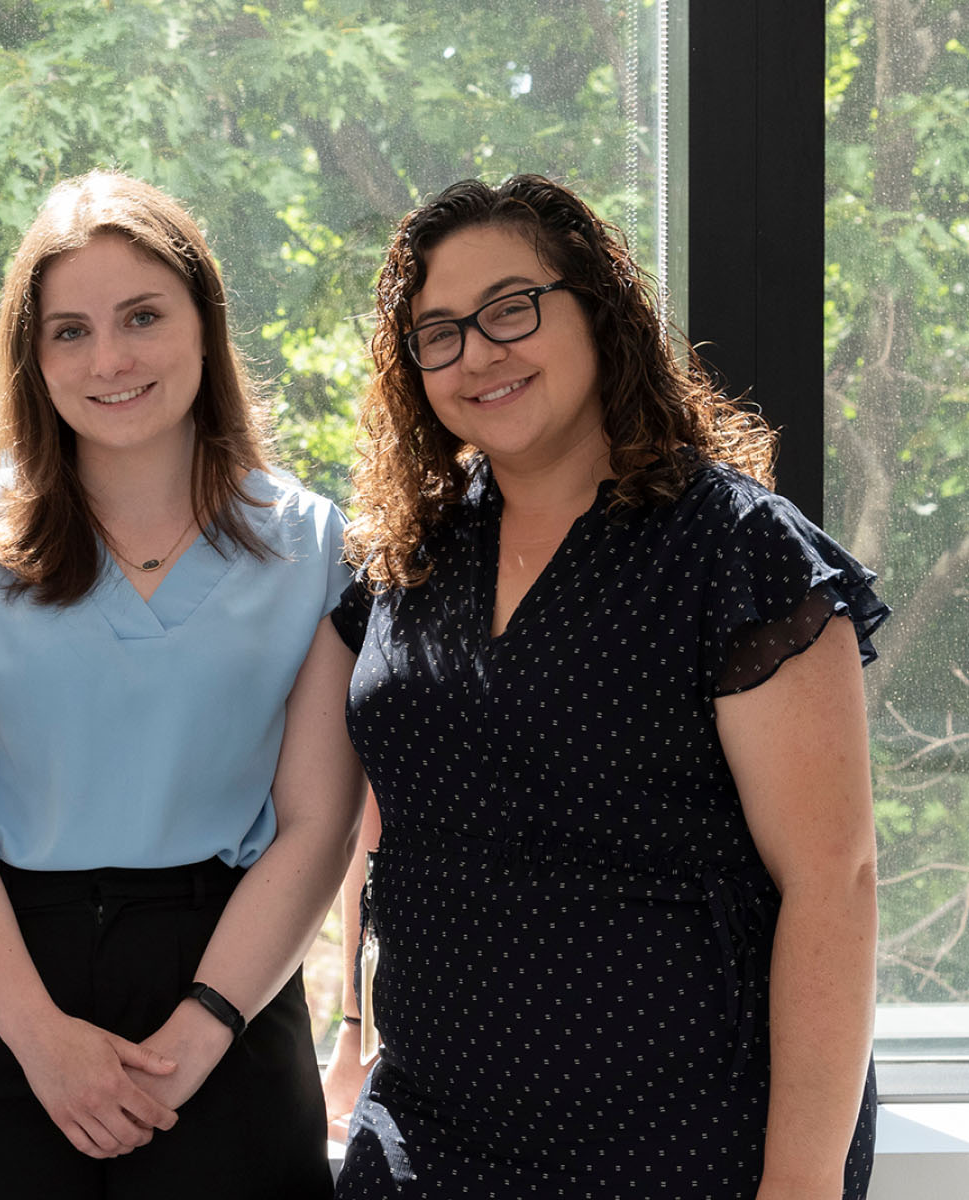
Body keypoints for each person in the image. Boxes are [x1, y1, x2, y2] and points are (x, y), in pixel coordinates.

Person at [331, 174, 884, 1198]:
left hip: (687, 1139)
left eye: (512, 309)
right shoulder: (408, 561)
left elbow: (835, 884)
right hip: (428, 1135)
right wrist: (351, 1028)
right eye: (438, 331)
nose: (478, 353)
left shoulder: (735, 553)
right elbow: (382, 830)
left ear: (599, 309)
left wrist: (800, 1184)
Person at [0, 171, 365, 1197]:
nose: (109, 359)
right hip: (2, 986)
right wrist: (37, 1036)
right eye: (69, 330)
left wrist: (200, 1034)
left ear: (206, 322)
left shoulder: (314, 545)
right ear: (33, 354)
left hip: (228, 986)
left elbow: (317, 824)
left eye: (142, 316)